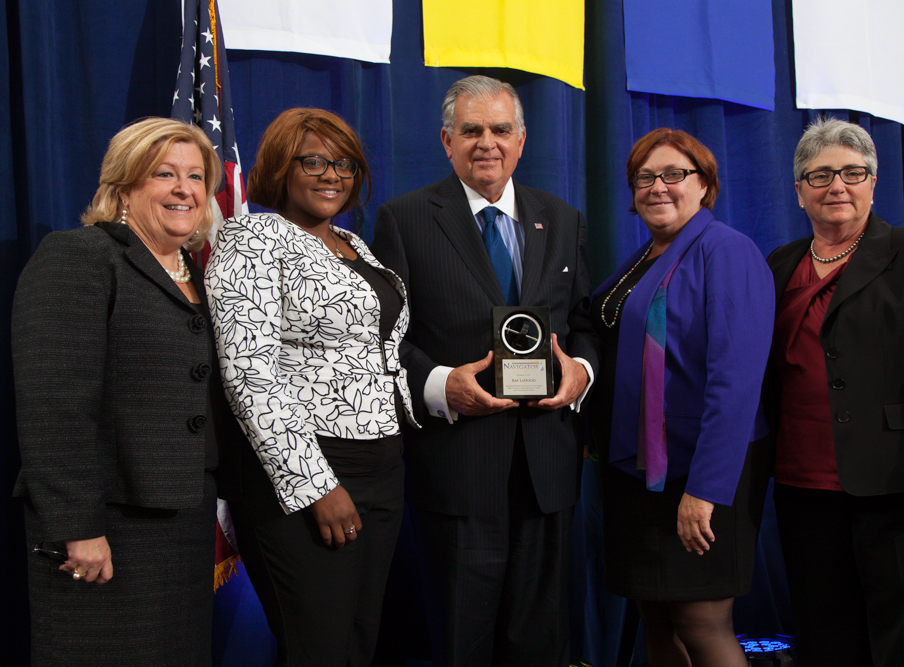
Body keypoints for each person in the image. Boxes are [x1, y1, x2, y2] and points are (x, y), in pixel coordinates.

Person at [370, 75, 600, 667]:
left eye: (501, 130)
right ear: (447, 141)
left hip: (547, 466)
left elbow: (583, 323)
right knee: (460, 641)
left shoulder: (563, 218)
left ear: (522, 141)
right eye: (471, 130)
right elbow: (384, 337)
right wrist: (439, 384)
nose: (487, 143)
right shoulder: (405, 219)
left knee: (540, 643)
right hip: (458, 464)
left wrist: (582, 372)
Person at [765, 118, 904, 666]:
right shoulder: (778, 265)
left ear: (873, 182)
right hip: (803, 490)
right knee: (827, 640)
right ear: (798, 191)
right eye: (820, 176)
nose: (837, 185)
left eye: (852, 172)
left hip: (903, 492)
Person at [205, 107, 417, 667]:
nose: (331, 175)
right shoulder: (252, 236)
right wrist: (316, 486)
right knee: (318, 647)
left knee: (357, 642)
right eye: (314, 161)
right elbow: (249, 372)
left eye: (344, 164)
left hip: (383, 466)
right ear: (281, 165)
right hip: (306, 471)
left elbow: (378, 354)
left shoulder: (353, 244)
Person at [12, 118, 227, 666]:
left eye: (197, 177)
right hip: (107, 524)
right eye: (164, 174)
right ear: (124, 184)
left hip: (185, 522)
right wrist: (77, 528)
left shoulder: (201, 277)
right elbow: (55, 405)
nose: (185, 189)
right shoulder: (80, 256)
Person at [590, 128, 773, 667]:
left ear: (704, 184)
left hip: (702, 469)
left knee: (700, 620)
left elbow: (735, 382)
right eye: (645, 177)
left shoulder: (727, 251)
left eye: (674, 174)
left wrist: (705, 490)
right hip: (639, 473)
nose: (658, 187)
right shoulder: (647, 256)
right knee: (657, 615)